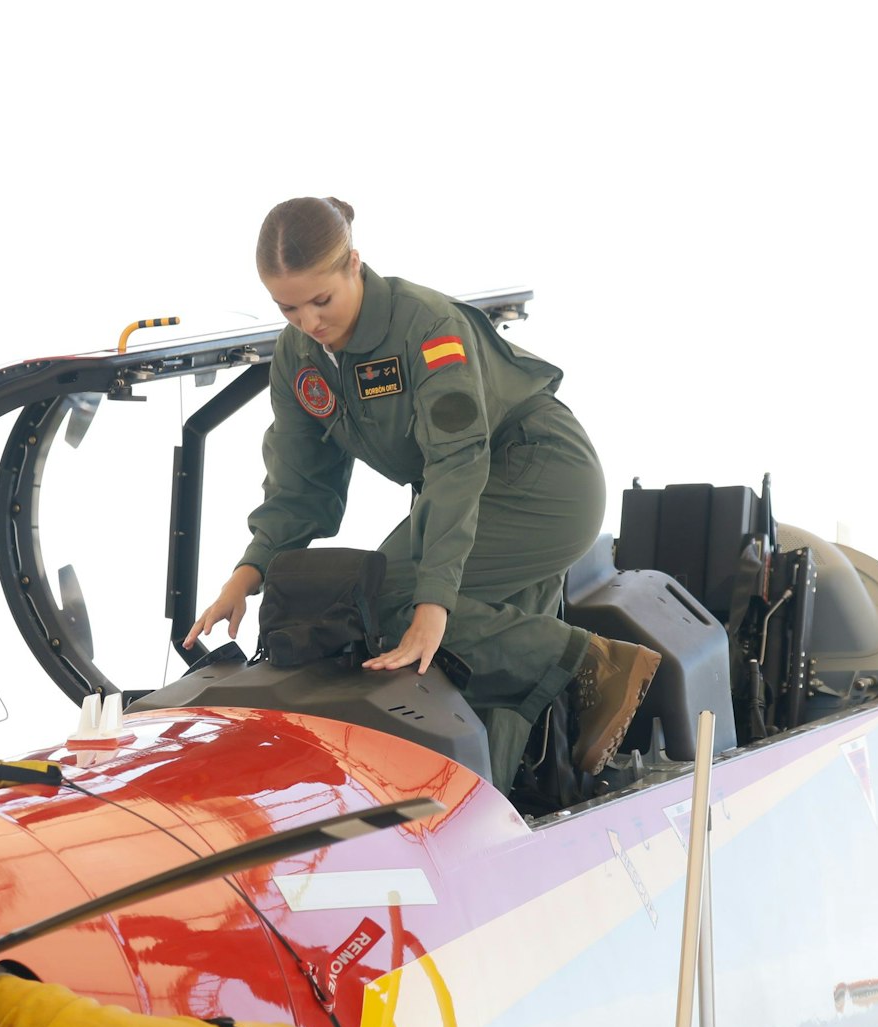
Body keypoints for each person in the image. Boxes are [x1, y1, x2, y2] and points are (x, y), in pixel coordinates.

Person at [182, 196, 658, 784]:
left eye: (321, 300)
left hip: (539, 478)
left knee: (378, 600)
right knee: (475, 679)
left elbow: (458, 463)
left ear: (354, 264)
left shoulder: (429, 328)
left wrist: (432, 602)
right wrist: (247, 574)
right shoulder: (299, 355)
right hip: (467, 489)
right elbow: (301, 487)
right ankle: (496, 803)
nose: (308, 322)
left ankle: (598, 663)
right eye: (288, 307)